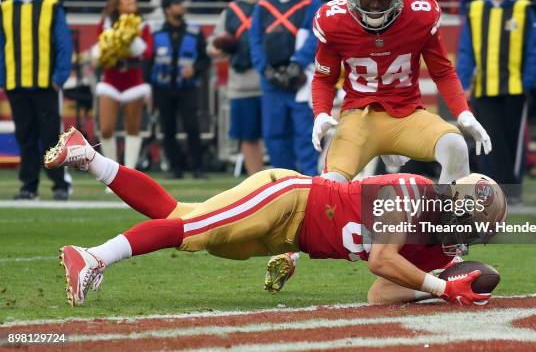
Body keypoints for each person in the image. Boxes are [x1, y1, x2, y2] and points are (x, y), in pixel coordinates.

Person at [44, 126, 506, 307]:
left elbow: (380, 293)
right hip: (288, 199)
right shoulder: (413, 192)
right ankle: (92, 257)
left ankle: (87, 158)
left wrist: (440, 279)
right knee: (193, 232)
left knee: (179, 216)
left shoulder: (436, 246)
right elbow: (381, 260)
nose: (465, 232)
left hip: (291, 238)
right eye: (467, 221)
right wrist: (444, 288)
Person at [267, 0, 492, 293]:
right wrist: (321, 114)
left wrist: (463, 114)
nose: (374, 8)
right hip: (360, 117)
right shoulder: (332, 18)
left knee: (454, 144)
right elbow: (324, 77)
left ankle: (446, 245)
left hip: (408, 115)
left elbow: (443, 70)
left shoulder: (421, 13)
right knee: (328, 184)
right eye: (366, 0)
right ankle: (290, 252)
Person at [457, 0, 536, 204]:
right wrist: (464, 82)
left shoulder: (523, 9)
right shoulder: (474, 10)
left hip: (515, 88)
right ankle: (490, 193)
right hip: (484, 88)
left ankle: (513, 192)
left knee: (512, 141)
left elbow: (534, 49)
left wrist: (527, 82)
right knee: (487, 141)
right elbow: (465, 51)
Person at [0, 0, 73, 200]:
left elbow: (64, 43)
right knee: (25, 136)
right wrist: (3, 77)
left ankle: (60, 184)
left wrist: (59, 77)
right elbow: (1, 46)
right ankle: (28, 186)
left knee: (51, 136)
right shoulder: (6, 7)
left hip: (45, 83)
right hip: (16, 83)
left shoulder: (51, 5)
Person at [249, 0, 321, 176]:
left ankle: (310, 183)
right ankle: (283, 184)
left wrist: (297, 64)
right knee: (274, 134)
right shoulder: (263, 6)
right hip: (271, 83)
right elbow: (255, 40)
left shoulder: (311, 2)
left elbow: (315, 35)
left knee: (305, 134)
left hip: (300, 81)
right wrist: (265, 69)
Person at [207, 0, 270, 176]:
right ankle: (257, 184)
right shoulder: (231, 11)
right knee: (248, 135)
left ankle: (284, 183)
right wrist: (217, 48)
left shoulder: (275, 5)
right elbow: (213, 43)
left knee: (277, 135)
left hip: (272, 82)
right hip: (241, 83)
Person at [91, 0, 152, 171]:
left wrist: (132, 41)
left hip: (134, 81)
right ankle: (112, 171)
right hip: (111, 80)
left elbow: (148, 52)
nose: (132, 0)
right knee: (107, 128)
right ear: (118, 3)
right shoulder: (106, 24)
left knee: (132, 128)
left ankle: (130, 171)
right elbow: (100, 49)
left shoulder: (143, 26)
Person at [149, 0, 208, 179]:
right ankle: (176, 168)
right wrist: (148, 86)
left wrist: (195, 70)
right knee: (168, 128)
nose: (182, 6)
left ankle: (198, 168)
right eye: (177, 4)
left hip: (187, 87)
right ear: (167, 9)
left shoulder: (195, 31)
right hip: (163, 88)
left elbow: (205, 59)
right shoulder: (156, 32)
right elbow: (148, 61)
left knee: (192, 126)